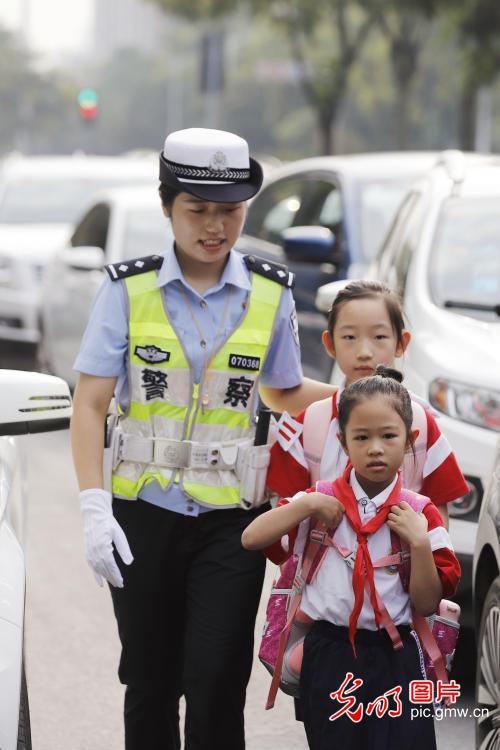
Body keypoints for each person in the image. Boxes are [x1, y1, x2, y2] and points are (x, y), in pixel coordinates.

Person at [70, 127, 336, 750]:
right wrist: (93, 508)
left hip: (232, 523)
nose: (214, 226)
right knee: (150, 679)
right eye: (197, 210)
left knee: (216, 679)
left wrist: (360, 393)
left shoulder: (271, 293)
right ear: (167, 206)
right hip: (143, 514)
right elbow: (91, 403)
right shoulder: (127, 289)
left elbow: (281, 391)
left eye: (229, 211)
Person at [242, 367, 461, 750]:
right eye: (362, 437)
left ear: (409, 440)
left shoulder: (419, 513)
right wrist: (306, 504)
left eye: (389, 436)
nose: (376, 447)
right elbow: (251, 538)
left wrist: (420, 545)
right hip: (330, 654)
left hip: (398, 659)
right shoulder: (320, 498)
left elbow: (426, 603)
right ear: (343, 442)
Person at [266, 280, 470, 534]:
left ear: (401, 343)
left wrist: (430, 558)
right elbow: (284, 509)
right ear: (330, 344)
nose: (364, 351)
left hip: (398, 572)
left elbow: (438, 507)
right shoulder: (310, 423)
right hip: (323, 570)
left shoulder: (420, 422)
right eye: (349, 337)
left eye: (379, 337)